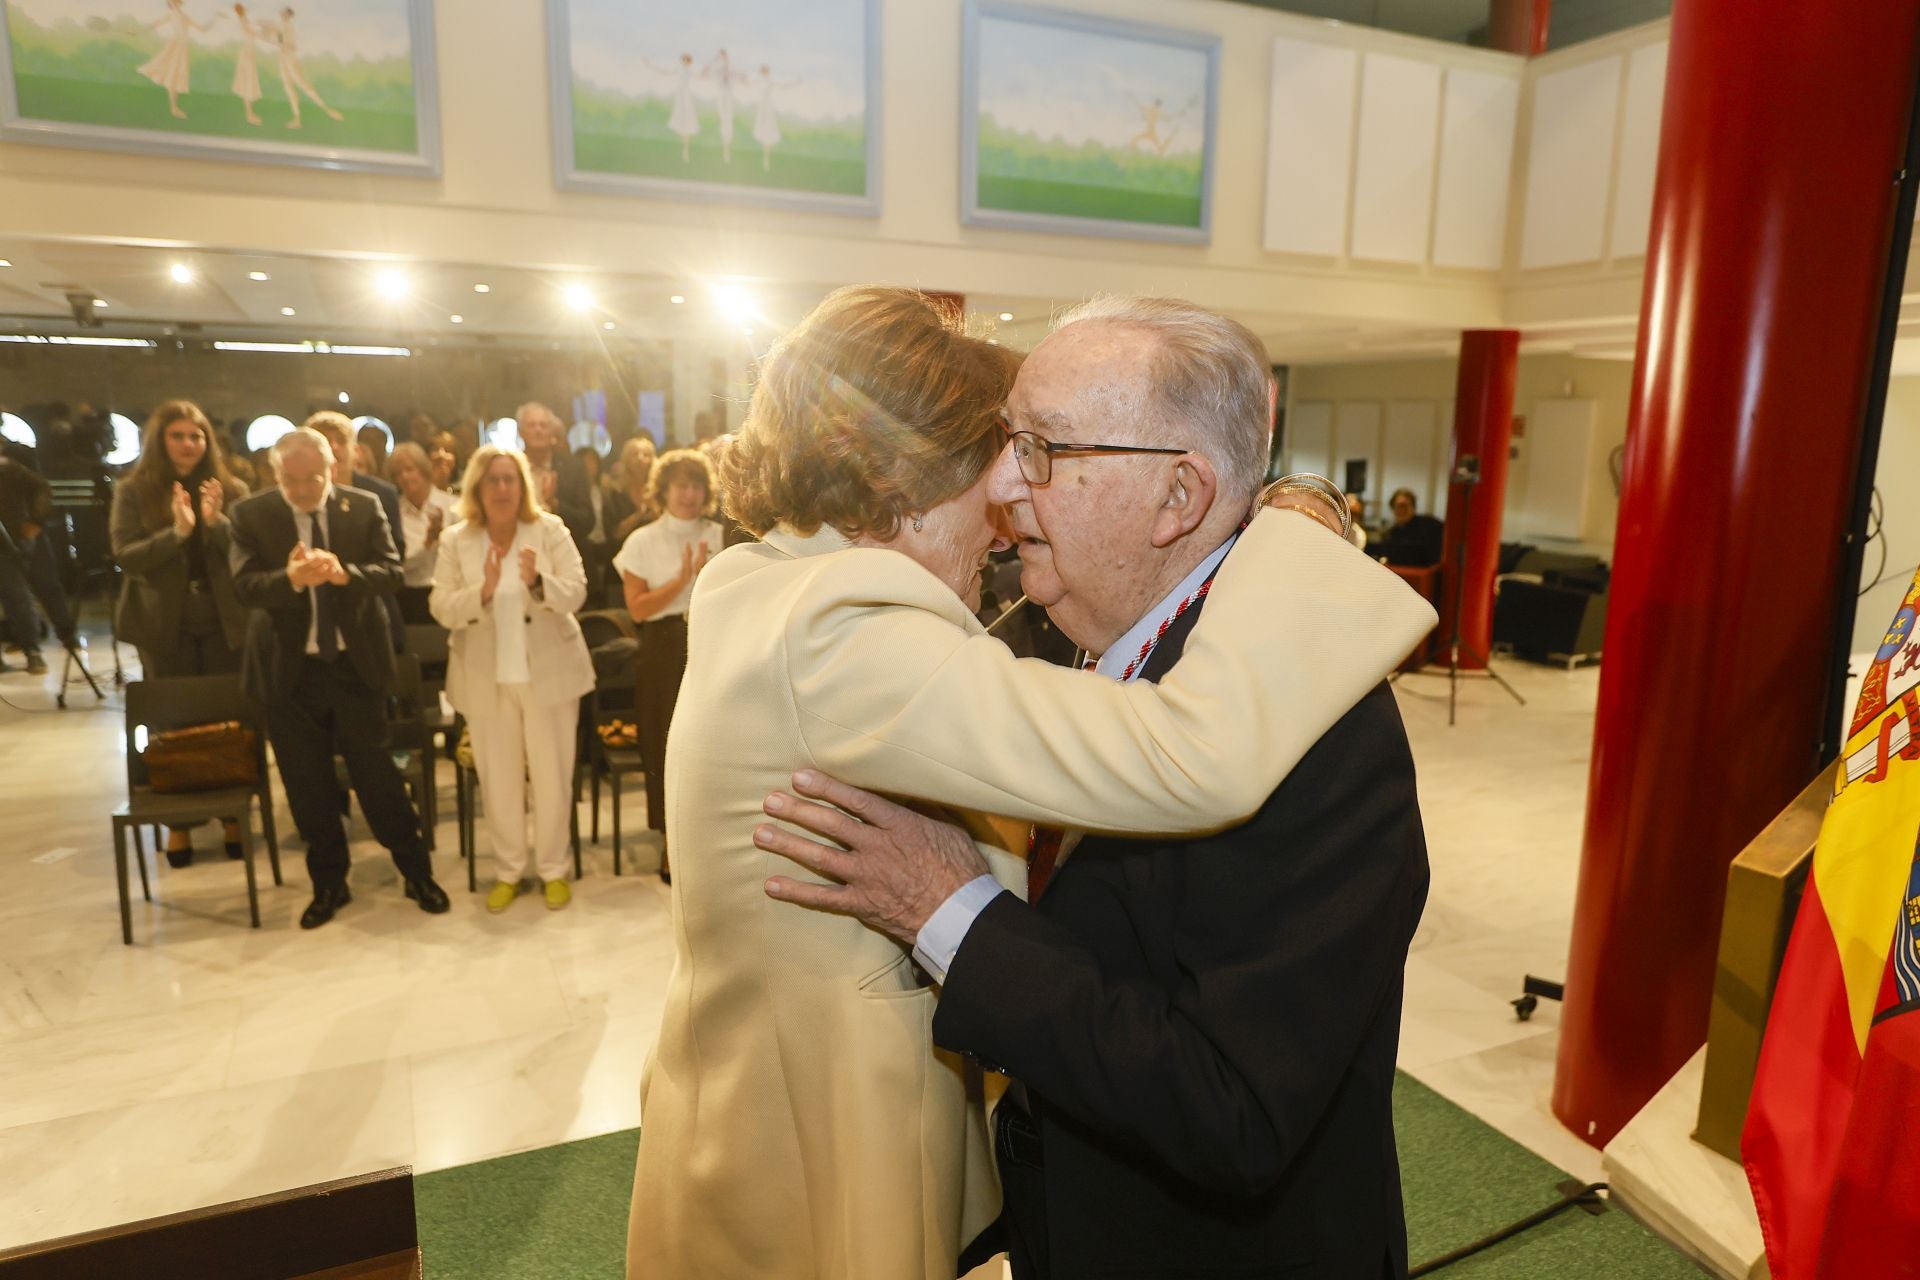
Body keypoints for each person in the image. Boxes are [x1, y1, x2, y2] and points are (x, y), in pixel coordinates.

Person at [623, 287, 1434, 1279]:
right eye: (1007, 447)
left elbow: (1231, 1110)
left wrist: (949, 909)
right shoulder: (1010, 630)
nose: (1011, 493)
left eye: (1046, 448)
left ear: (1178, 495)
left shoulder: (1321, 737)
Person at [227, 427, 449, 929]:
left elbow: (392, 572)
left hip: (353, 667)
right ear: (275, 473)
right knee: (308, 786)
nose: (305, 490)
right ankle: (329, 882)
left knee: (378, 777)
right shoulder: (251, 515)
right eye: (292, 479)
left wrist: (344, 575)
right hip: (290, 672)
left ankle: (416, 872)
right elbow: (242, 587)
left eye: (315, 478)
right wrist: (289, 581)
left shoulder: (363, 506)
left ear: (333, 467)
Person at [430, 446, 595, 913]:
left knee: (552, 775)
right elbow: (440, 607)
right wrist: (481, 589)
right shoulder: (456, 539)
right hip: (485, 676)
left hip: (549, 672)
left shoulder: (549, 530)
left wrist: (538, 580)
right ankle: (507, 870)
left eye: (510, 480)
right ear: (477, 489)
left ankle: (553, 868)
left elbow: (577, 591)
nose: (502, 489)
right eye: (492, 481)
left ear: (523, 486)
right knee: (498, 778)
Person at [111, 399, 251, 866]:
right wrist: (176, 533)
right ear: (160, 439)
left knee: (228, 715)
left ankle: (233, 816)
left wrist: (215, 525)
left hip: (222, 620)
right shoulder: (134, 489)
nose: (189, 444)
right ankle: (180, 826)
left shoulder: (230, 486)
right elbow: (127, 555)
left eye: (197, 435)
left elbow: (247, 551)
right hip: (162, 624)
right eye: (178, 435)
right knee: (173, 721)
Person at [611, 448, 723, 882]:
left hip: (711, 644)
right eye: (680, 485)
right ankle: (669, 844)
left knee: (711, 746)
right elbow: (637, 610)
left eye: (696, 485)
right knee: (664, 744)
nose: (689, 494)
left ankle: (709, 839)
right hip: (660, 648)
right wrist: (682, 578)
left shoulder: (720, 535)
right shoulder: (643, 540)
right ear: (663, 490)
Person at [0, 450, 78, 677]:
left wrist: (36, 520)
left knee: (34, 590)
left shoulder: (11, 465)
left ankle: (40, 646)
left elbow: (41, 488)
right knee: (16, 594)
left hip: (19, 537)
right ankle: (31, 647)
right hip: (8, 542)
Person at [386, 442, 454, 625]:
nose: (405, 477)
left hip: (449, 593)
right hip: (411, 598)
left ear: (424, 470)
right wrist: (428, 543)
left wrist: (442, 539)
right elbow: (399, 565)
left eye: (410, 469)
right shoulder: (393, 514)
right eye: (398, 473)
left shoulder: (452, 506)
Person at [607, 435, 658, 544]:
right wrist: (639, 515)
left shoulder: (659, 491)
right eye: (635, 454)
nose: (640, 458)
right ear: (626, 460)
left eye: (646, 455)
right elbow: (615, 533)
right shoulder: (616, 492)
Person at [1377, 485, 1444, 567]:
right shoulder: (1391, 534)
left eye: (1404, 506)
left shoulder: (1430, 525)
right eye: (1398, 506)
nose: (1401, 510)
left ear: (1413, 507)